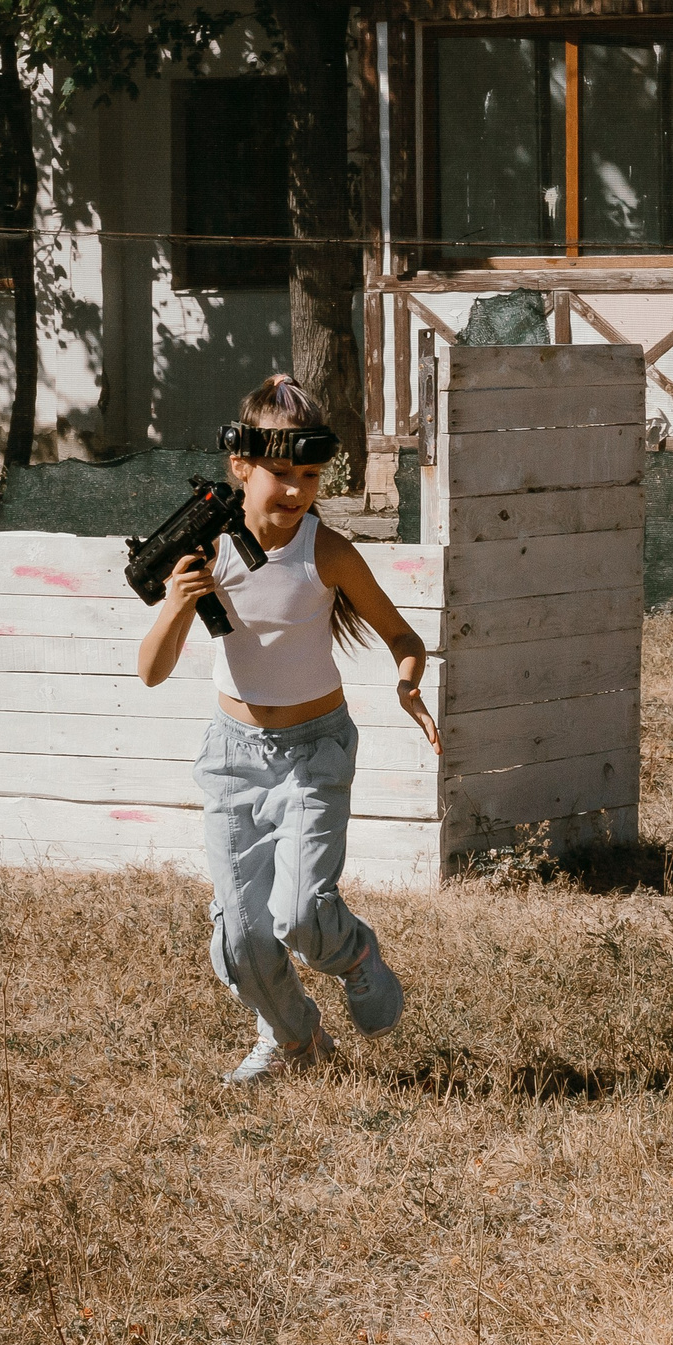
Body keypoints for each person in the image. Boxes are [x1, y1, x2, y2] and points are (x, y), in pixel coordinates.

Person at [137, 375, 442, 1084]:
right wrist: (177, 602)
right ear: (240, 466)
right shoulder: (206, 552)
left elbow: (401, 635)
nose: (298, 491)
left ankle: (354, 954)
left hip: (314, 751)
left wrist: (408, 683)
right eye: (282, 473)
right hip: (232, 759)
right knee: (241, 939)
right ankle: (296, 1042)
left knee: (300, 912)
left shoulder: (325, 551)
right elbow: (151, 671)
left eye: (310, 476)